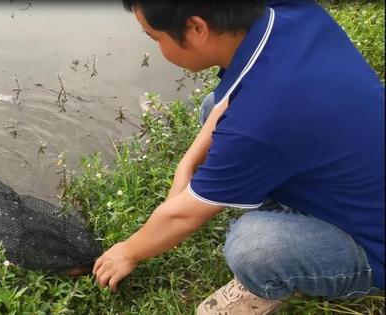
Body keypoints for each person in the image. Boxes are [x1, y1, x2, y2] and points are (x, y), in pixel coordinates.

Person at [92, 1, 385, 314]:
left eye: (155, 37)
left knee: (253, 247)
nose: (157, 46)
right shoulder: (291, 13)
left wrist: (127, 252)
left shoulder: (260, 118)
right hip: (356, 175)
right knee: (211, 108)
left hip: (373, 244)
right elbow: (229, 107)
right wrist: (186, 166)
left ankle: (269, 286)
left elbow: (182, 217)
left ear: (196, 28)